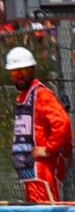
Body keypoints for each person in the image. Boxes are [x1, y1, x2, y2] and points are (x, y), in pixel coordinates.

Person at [5, 45, 70, 203]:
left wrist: (48, 149)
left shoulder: (41, 94)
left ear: (33, 70)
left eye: (24, 71)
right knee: (36, 211)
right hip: (31, 173)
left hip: (42, 172)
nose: (19, 76)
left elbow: (62, 122)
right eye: (15, 72)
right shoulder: (25, 97)